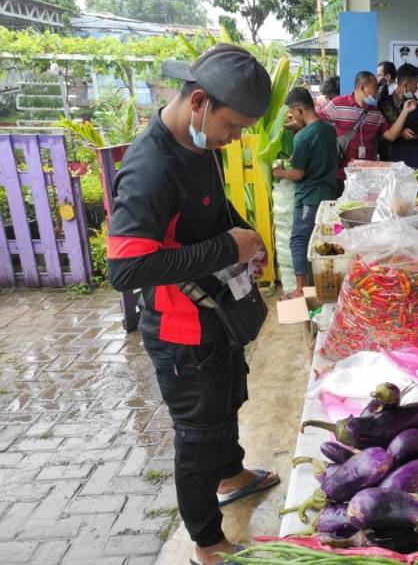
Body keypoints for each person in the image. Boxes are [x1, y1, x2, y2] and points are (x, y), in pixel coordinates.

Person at [107, 44, 278, 565]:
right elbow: (125, 269)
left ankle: (234, 473)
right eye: (234, 125)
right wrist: (228, 247)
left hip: (215, 313)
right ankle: (207, 541)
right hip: (181, 332)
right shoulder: (150, 169)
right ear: (199, 102)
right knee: (198, 434)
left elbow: (212, 209)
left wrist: (242, 235)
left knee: (228, 401)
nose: (238, 137)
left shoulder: (200, 146)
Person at [274, 87, 338, 298]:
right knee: (324, 242)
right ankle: (328, 284)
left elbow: (298, 173)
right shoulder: (329, 130)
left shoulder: (302, 137)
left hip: (309, 198)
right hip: (329, 195)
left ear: (299, 109)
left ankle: (300, 290)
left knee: (299, 241)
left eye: (292, 112)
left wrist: (280, 172)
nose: (291, 117)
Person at [319, 71, 417, 190]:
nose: (377, 92)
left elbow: (390, 135)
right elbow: (315, 122)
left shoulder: (376, 113)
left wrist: (405, 112)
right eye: (375, 88)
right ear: (362, 88)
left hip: (366, 175)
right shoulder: (338, 104)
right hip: (340, 173)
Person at [378, 63, 418, 170]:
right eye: (415, 84)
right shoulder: (385, 104)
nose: (417, 88)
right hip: (395, 162)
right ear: (405, 85)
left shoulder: (416, 103)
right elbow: (383, 135)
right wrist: (400, 133)